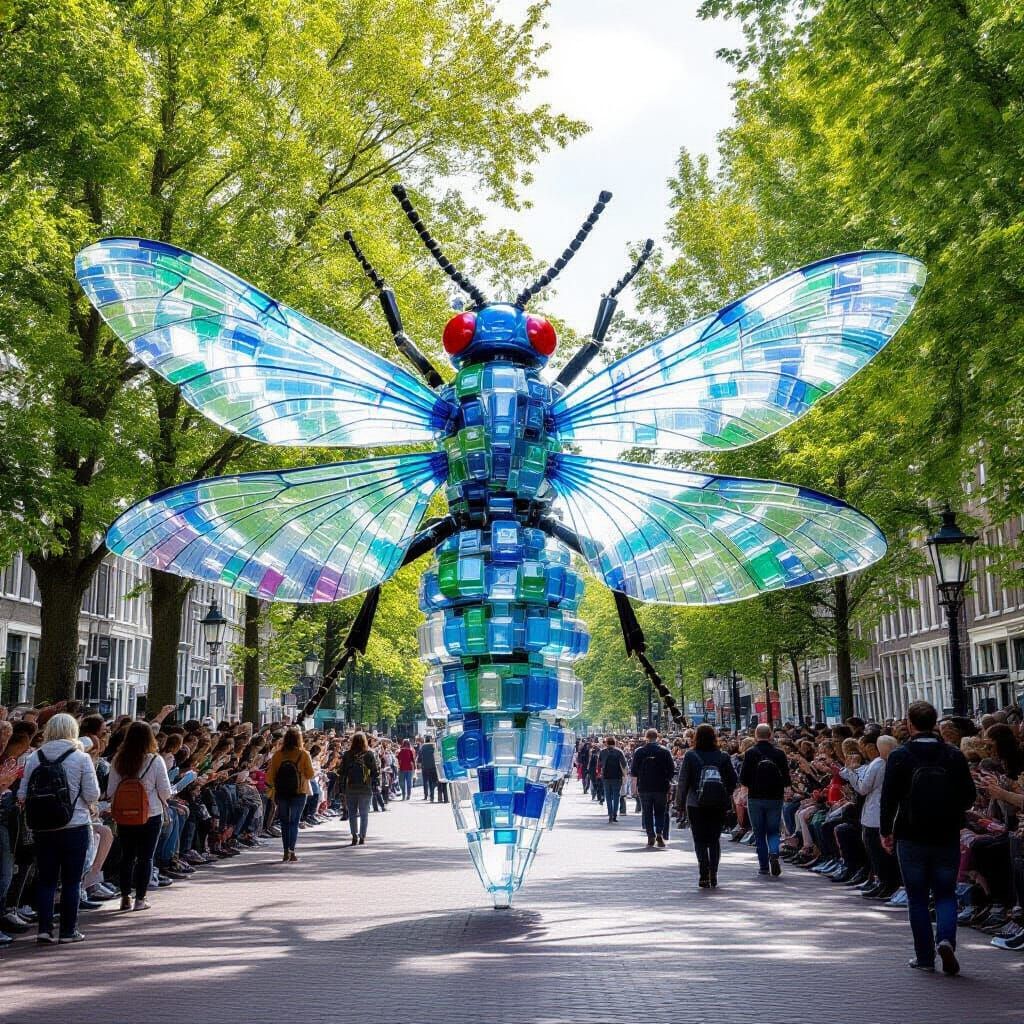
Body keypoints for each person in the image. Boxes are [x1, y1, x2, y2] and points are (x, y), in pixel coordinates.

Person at [880, 700, 976, 976]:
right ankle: (945, 939)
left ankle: (924, 956)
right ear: (935, 723)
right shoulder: (953, 755)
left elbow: (889, 799)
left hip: (910, 835)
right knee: (946, 894)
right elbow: (969, 796)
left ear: (910, 724)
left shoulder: (900, 755)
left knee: (917, 897)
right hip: (946, 834)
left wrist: (886, 831)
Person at [17, 713, 100, 943]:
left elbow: (23, 793)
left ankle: (44, 929)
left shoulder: (35, 757)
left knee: (46, 880)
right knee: (72, 881)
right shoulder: (81, 758)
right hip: (75, 824)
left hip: (43, 827)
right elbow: (93, 794)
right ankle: (68, 930)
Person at [106, 720, 172, 911]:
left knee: (127, 856)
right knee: (145, 857)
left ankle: (125, 897)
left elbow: (111, 790)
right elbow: (165, 791)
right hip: (151, 813)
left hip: (125, 814)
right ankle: (140, 899)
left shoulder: (119, 759)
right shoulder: (155, 760)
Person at [676, 723, 737, 887]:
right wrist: (725, 794)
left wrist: (679, 803)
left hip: (695, 803)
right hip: (718, 803)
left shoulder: (691, 755)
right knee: (714, 839)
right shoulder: (723, 756)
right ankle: (714, 872)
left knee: (699, 840)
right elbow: (733, 780)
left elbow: (683, 781)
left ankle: (703, 873)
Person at [740, 723, 791, 877]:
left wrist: (744, 792)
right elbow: (786, 777)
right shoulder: (779, 754)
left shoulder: (750, 753)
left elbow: (743, 777)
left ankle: (763, 866)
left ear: (756, 735)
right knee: (773, 830)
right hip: (775, 797)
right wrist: (786, 789)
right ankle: (774, 852)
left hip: (755, 796)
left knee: (759, 832)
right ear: (770, 735)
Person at [267, 727, 314, 862]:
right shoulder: (303, 754)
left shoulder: (278, 755)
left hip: (281, 792)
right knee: (294, 821)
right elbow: (310, 774)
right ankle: (292, 851)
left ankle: (285, 851)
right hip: (299, 791)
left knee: (284, 822)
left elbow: (270, 776)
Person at [630, 728, 675, 848]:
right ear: (657, 737)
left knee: (647, 812)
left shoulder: (639, 751)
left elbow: (634, 771)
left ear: (646, 737)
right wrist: (668, 781)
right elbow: (671, 769)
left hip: (644, 786)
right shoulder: (665, 751)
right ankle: (659, 832)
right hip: (661, 786)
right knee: (660, 811)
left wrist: (635, 786)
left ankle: (650, 835)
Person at [341, 732, 379, 846]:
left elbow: (342, 771)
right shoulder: (369, 754)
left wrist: (342, 787)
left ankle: (354, 836)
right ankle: (362, 836)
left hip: (351, 787)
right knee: (364, 814)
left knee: (352, 813)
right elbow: (375, 771)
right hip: (365, 788)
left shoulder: (347, 754)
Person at [598, 737, 627, 823]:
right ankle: (614, 814)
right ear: (614, 743)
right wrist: (624, 774)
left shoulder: (603, 752)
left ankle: (610, 814)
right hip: (617, 777)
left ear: (606, 743)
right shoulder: (619, 752)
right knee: (616, 796)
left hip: (606, 777)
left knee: (608, 797)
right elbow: (624, 764)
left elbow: (599, 763)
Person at [418, 735, 438, 802]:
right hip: (433, 767)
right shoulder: (434, 746)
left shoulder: (422, 747)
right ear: (431, 739)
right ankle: (432, 797)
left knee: (425, 782)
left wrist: (420, 765)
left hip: (425, 767)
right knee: (432, 782)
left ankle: (426, 795)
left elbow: (420, 758)